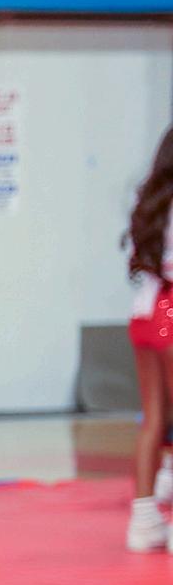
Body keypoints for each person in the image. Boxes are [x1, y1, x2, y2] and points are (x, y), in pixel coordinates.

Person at [122, 125, 173, 552]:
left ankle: (143, 521)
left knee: (153, 418)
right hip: (171, 311)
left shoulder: (151, 204)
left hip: (144, 311)